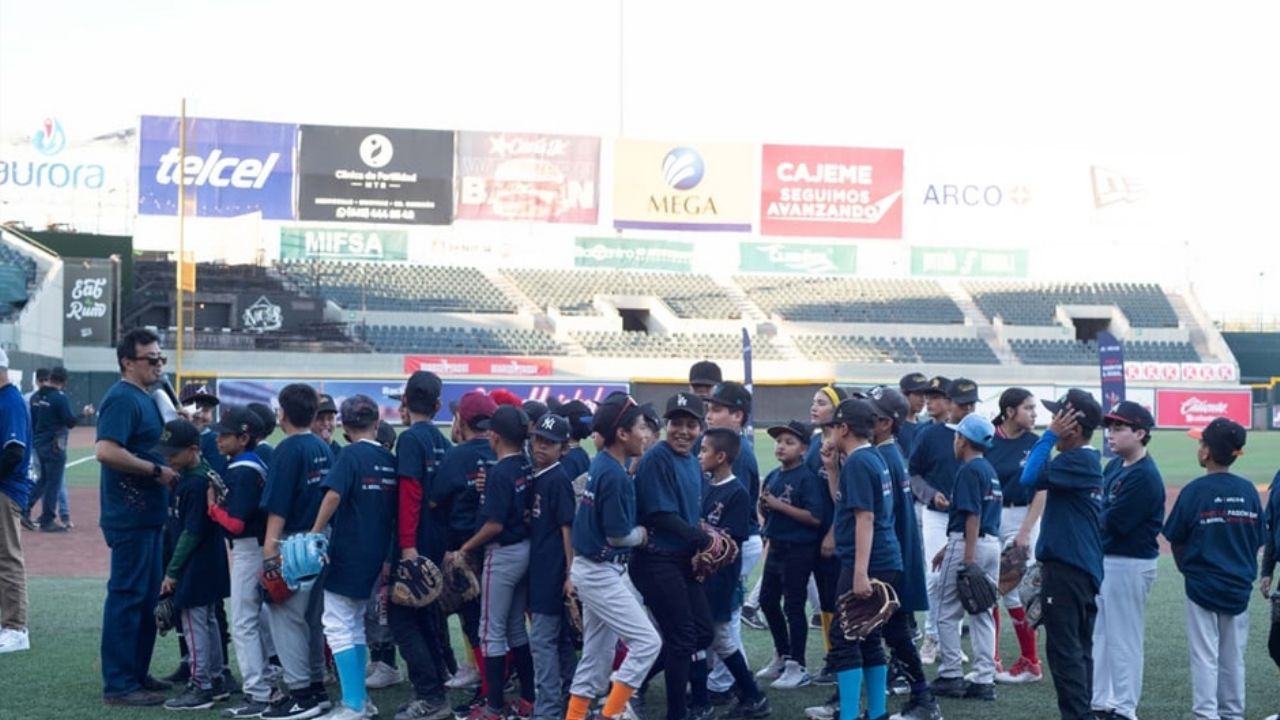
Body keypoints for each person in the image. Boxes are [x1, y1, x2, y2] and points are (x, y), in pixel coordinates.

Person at [564, 394, 660, 720]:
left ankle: (576, 715)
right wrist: (643, 534)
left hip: (591, 568)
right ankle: (611, 714)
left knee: (596, 657)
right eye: (641, 428)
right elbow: (619, 535)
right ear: (622, 433)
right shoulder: (615, 474)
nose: (645, 434)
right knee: (648, 642)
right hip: (600, 571)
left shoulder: (604, 463)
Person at [96, 328, 180, 706]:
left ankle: (136, 673)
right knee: (127, 596)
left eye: (161, 358)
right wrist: (154, 470)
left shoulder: (145, 397)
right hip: (129, 515)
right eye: (151, 359)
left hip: (148, 514)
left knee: (145, 598)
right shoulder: (122, 399)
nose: (158, 364)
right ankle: (118, 683)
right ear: (128, 362)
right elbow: (106, 451)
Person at [1162, 418, 1266, 720]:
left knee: (1204, 655)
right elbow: (1257, 540)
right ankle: (1232, 713)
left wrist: (1190, 571)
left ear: (1207, 452)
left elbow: (1176, 538)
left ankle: (1206, 715)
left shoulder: (1195, 491)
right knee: (1233, 657)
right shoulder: (1247, 490)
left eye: (1201, 443)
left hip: (1201, 586)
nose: (1199, 447)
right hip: (1238, 586)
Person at [309, 395, 398, 720]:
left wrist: (314, 532)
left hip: (349, 551)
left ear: (344, 427)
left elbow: (333, 494)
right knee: (355, 624)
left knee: (337, 624)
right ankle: (360, 699)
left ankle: (354, 704)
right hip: (377, 553)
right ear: (377, 423)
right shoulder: (389, 458)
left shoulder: (348, 455)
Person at [1017, 389, 1104, 720]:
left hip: (1067, 571)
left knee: (1066, 653)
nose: (1051, 420)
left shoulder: (1075, 460)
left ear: (1074, 427)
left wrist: (1049, 437)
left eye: (1059, 417)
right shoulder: (1084, 461)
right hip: (1081, 569)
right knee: (1080, 651)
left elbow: (1029, 478)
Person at [631, 391, 715, 720]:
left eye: (690, 424)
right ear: (666, 425)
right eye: (676, 423)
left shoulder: (690, 460)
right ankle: (676, 714)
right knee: (682, 639)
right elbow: (660, 516)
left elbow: (688, 514)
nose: (683, 431)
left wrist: (699, 540)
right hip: (656, 559)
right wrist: (704, 540)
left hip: (679, 559)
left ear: (701, 427)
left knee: (702, 633)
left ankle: (631, 682)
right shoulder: (658, 458)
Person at [822, 398, 902, 720]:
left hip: (867, 560)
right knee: (868, 637)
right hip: (884, 557)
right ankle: (877, 713)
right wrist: (831, 470)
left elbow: (864, 518)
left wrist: (859, 573)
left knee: (844, 636)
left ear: (843, 428)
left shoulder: (858, 462)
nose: (829, 435)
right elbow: (846, 504)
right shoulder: (873, 457)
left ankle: (849, 715)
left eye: (832, 428)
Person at [259, 383, 336, 719]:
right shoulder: (323, 446)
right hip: (321, 539)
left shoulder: (287, 450)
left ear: (283, 414)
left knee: (286, 616)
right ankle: (317, 688)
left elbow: (278, 506)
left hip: (293, 541)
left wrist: (269, 552)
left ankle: (301, 694)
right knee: (313, 618)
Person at [456, 404, 536, 720]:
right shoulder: (525, 465)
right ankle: (528, 698)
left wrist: (464, 548)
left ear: (495, 436)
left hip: (503, 553)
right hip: (525, 548)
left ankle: (492, 707)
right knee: (516, 627)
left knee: (490, 631)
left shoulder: (501, 470)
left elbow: (493, 525)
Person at [866, 387, 938, 720]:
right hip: (894, 557)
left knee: (880, 632)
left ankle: (923, 699)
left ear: (883, 423)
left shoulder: (882, 457)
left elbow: (879, 519)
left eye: (868, 413)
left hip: (886, 560)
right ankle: (917, 698)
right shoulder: (888, 453)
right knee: (886, 632)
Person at [1090, 401, 1164, 720]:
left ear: (1140, 433)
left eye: (1119, 427)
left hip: (1130, 563)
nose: (1111, 433)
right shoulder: (1115, 467)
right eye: (1110, 427)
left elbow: (1111, 523)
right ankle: (1101, 701)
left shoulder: (1145, 476)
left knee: (1124, 638)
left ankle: (1125, 708)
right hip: (1109, 560)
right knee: (1102, 635)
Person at [391, 371, 456, 720]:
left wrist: (406, 547)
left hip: (414, 542)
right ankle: (437, 686)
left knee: (404, 620)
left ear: (404, 400)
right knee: (428, 616)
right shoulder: (443, 442)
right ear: (437, 405)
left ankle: (431, 696)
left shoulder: (411, 440)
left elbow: (410, 493)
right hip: (438, 540)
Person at [205, 406, 277, 719]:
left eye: (226, 435)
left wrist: (213, 508)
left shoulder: (243, 469)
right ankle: (268, 681)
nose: (218, 439)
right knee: (261, 617)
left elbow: (235, 525)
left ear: (244, 437)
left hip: (250, 549)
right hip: (261, 547)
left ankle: (258, 693)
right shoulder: (253, 462)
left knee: (244, 622)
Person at [154, 418, 231, 711]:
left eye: (173, 453)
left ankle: (200, 686)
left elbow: (191, 531)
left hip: (195, 564)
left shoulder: (195, 482)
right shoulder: (199, 473)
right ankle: (216, 678)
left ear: (193, 449)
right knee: (209, 620)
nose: (167, 458)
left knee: (193, 622)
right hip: (210, 562)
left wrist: (172, 572)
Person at [697, 426, 770, 719]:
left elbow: (730, 542)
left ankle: (753, 695)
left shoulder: (736, 492)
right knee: (701, 638)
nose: (699, 455)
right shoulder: (706, 485)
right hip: (703, 576)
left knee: (722, 639)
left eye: (704, 450)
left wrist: (700, 533)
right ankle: (701, 698)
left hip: (721, 579)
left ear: (721, 456)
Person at [930, 413, 1002, 702]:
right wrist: (948, 548)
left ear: (963, 440)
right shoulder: (988, 470)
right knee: (983, 611)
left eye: (956, 436)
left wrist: (966, 557)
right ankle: (984, 679)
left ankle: (951, 674)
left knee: (947, 611)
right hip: (990, 544)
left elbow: (972, 515)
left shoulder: (969, 470)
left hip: (970, 544)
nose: (954, 441)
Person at [437, 391, 498, 705]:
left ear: (462, 420)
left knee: (476, 623)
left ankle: (489, 691)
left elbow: (435, 499)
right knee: (499, 623)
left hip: (465, 550)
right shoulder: (502, 449)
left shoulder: (457, 455)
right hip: (500, 549)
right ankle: (499, 685)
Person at [703, 382, 764, 697]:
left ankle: (727, 683)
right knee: (718, 617)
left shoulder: (735, 453)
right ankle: (724, 679)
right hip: (729, 536)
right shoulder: (724, 445)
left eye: (717, 408)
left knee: (726, 618)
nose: (709, 414)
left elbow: (731, 510)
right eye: (709, 407)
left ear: (738, 415)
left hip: (737, 539)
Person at [907, 377, 974, 665]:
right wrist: (931, 494)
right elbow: (913, 474)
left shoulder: (974, 432)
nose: (929, 401)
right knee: (935, 576)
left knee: (959, 578)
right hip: (935, 515)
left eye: (936, 397)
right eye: (928, 396)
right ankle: (932, 636)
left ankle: (950, 640)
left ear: (950, 402)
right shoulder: (927, 434)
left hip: (965, 516)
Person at [755, 420, 823, 691]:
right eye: (779, 441)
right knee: (766, 600)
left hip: (799, 548)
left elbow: (815, 517)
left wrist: (778, 506)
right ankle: (783, 654)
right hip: (778, 544)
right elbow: (767, 507)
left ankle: (798, 664)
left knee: (793, 605)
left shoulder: (808, 478)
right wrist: (766, 509)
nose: (781, 446)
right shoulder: (773, 475)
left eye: (789, 442)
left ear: (804, 448)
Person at [989, 387, 1045, 685]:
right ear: (1009, 411)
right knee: (986, 590)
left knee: (1012, 589)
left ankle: (1030, 662)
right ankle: (992, 659)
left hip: (1021, 518)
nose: (1034, 414)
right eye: (1028, 408)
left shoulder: (1035, 443)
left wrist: (1024, 531)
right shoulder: (989, 439)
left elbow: (1042, 490)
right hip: (992, 515)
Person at [525, 414, 577, 720]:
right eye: (538, 440)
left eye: (550, 443)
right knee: (557, 640)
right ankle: (574, 694)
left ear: (564, 448)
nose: (541, 447)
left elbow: (566, 527)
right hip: (542, 568)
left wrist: (570, 573)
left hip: (553, 570)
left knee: (543, 641)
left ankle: (548, 710)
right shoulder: (540, 475)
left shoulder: (557, 478)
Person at [26, 365, 92, 531]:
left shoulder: (38, 396)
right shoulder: (59, 398)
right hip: (54, 445)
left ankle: (24, 508)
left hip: (39, 442)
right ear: (64, 381)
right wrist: (84, 414)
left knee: (42, 480)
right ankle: (47, 519)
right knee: (53, 483)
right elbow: (69, 422)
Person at [0, 349, 33, 655]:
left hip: (6, 489)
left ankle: (15, 628)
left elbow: (14, 453)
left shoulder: (10, 401)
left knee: (8, 558)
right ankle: (7, 624)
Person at [183, 383, 226, 477]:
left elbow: (214, 477)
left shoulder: (216, 441)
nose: (199, 415)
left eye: (206, 410)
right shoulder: (171, 435)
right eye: (194, 408)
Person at [895, 373, 930, 458]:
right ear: (903, 394)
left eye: (925, 395)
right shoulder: (894, 426)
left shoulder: (924, 427)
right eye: (918, 394)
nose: (923, 399)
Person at [313, 393, 342, 458]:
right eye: (320, 418)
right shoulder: (302, 450)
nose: (326, 423)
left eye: (330, 418)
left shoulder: (341, 453)